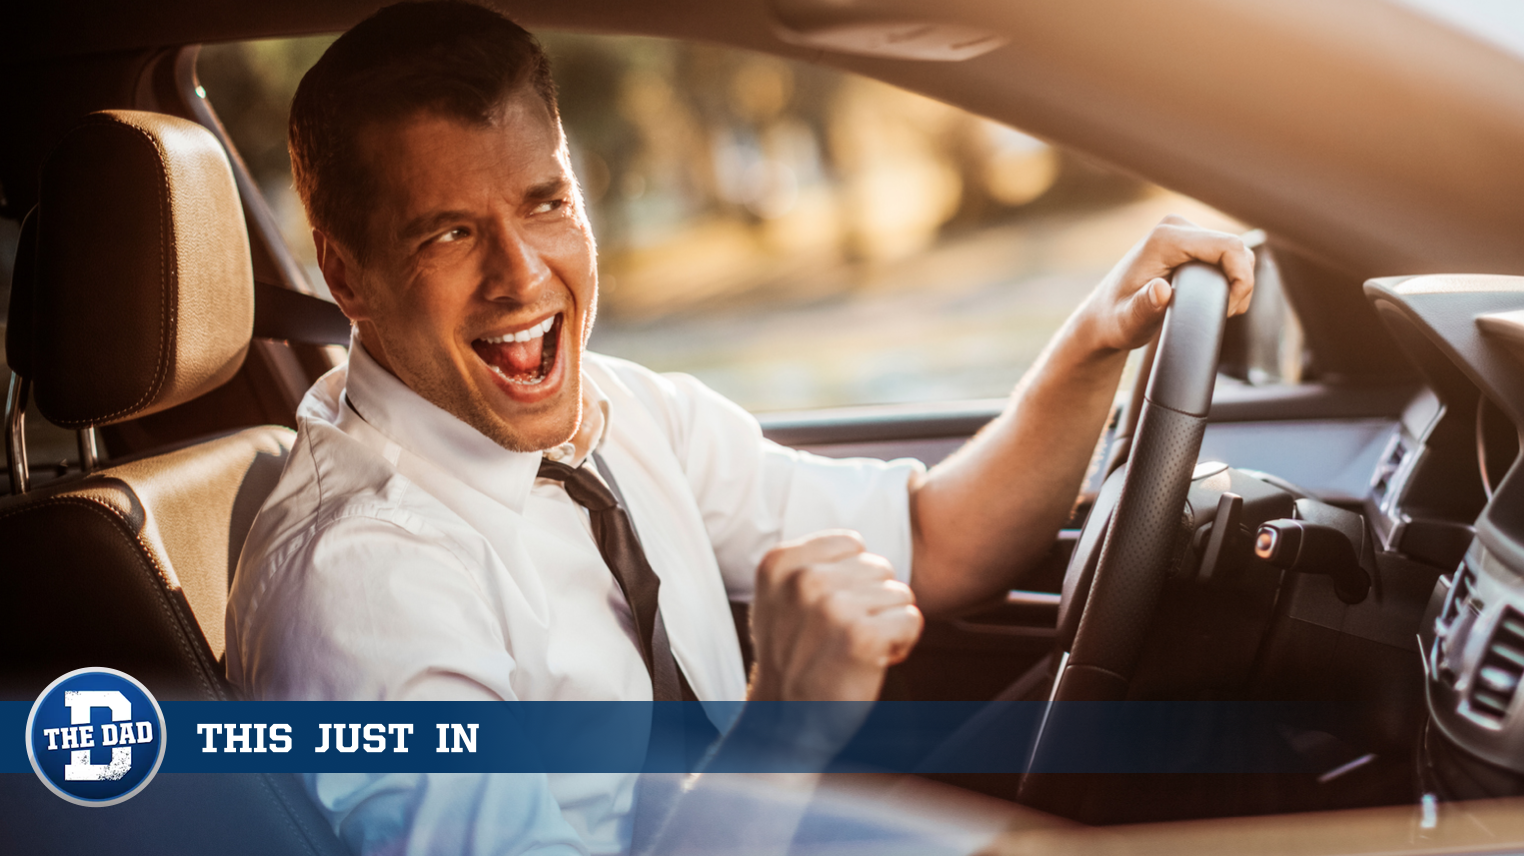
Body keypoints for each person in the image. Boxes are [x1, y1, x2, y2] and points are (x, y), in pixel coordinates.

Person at [225, 1, 1255, 853]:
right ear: (348, 274)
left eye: (545, 205)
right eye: (449, 233)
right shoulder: (363, 583)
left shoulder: (626, 415)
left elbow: (934, 539)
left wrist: (1096, 338)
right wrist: (785, 722)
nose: (523, 275)